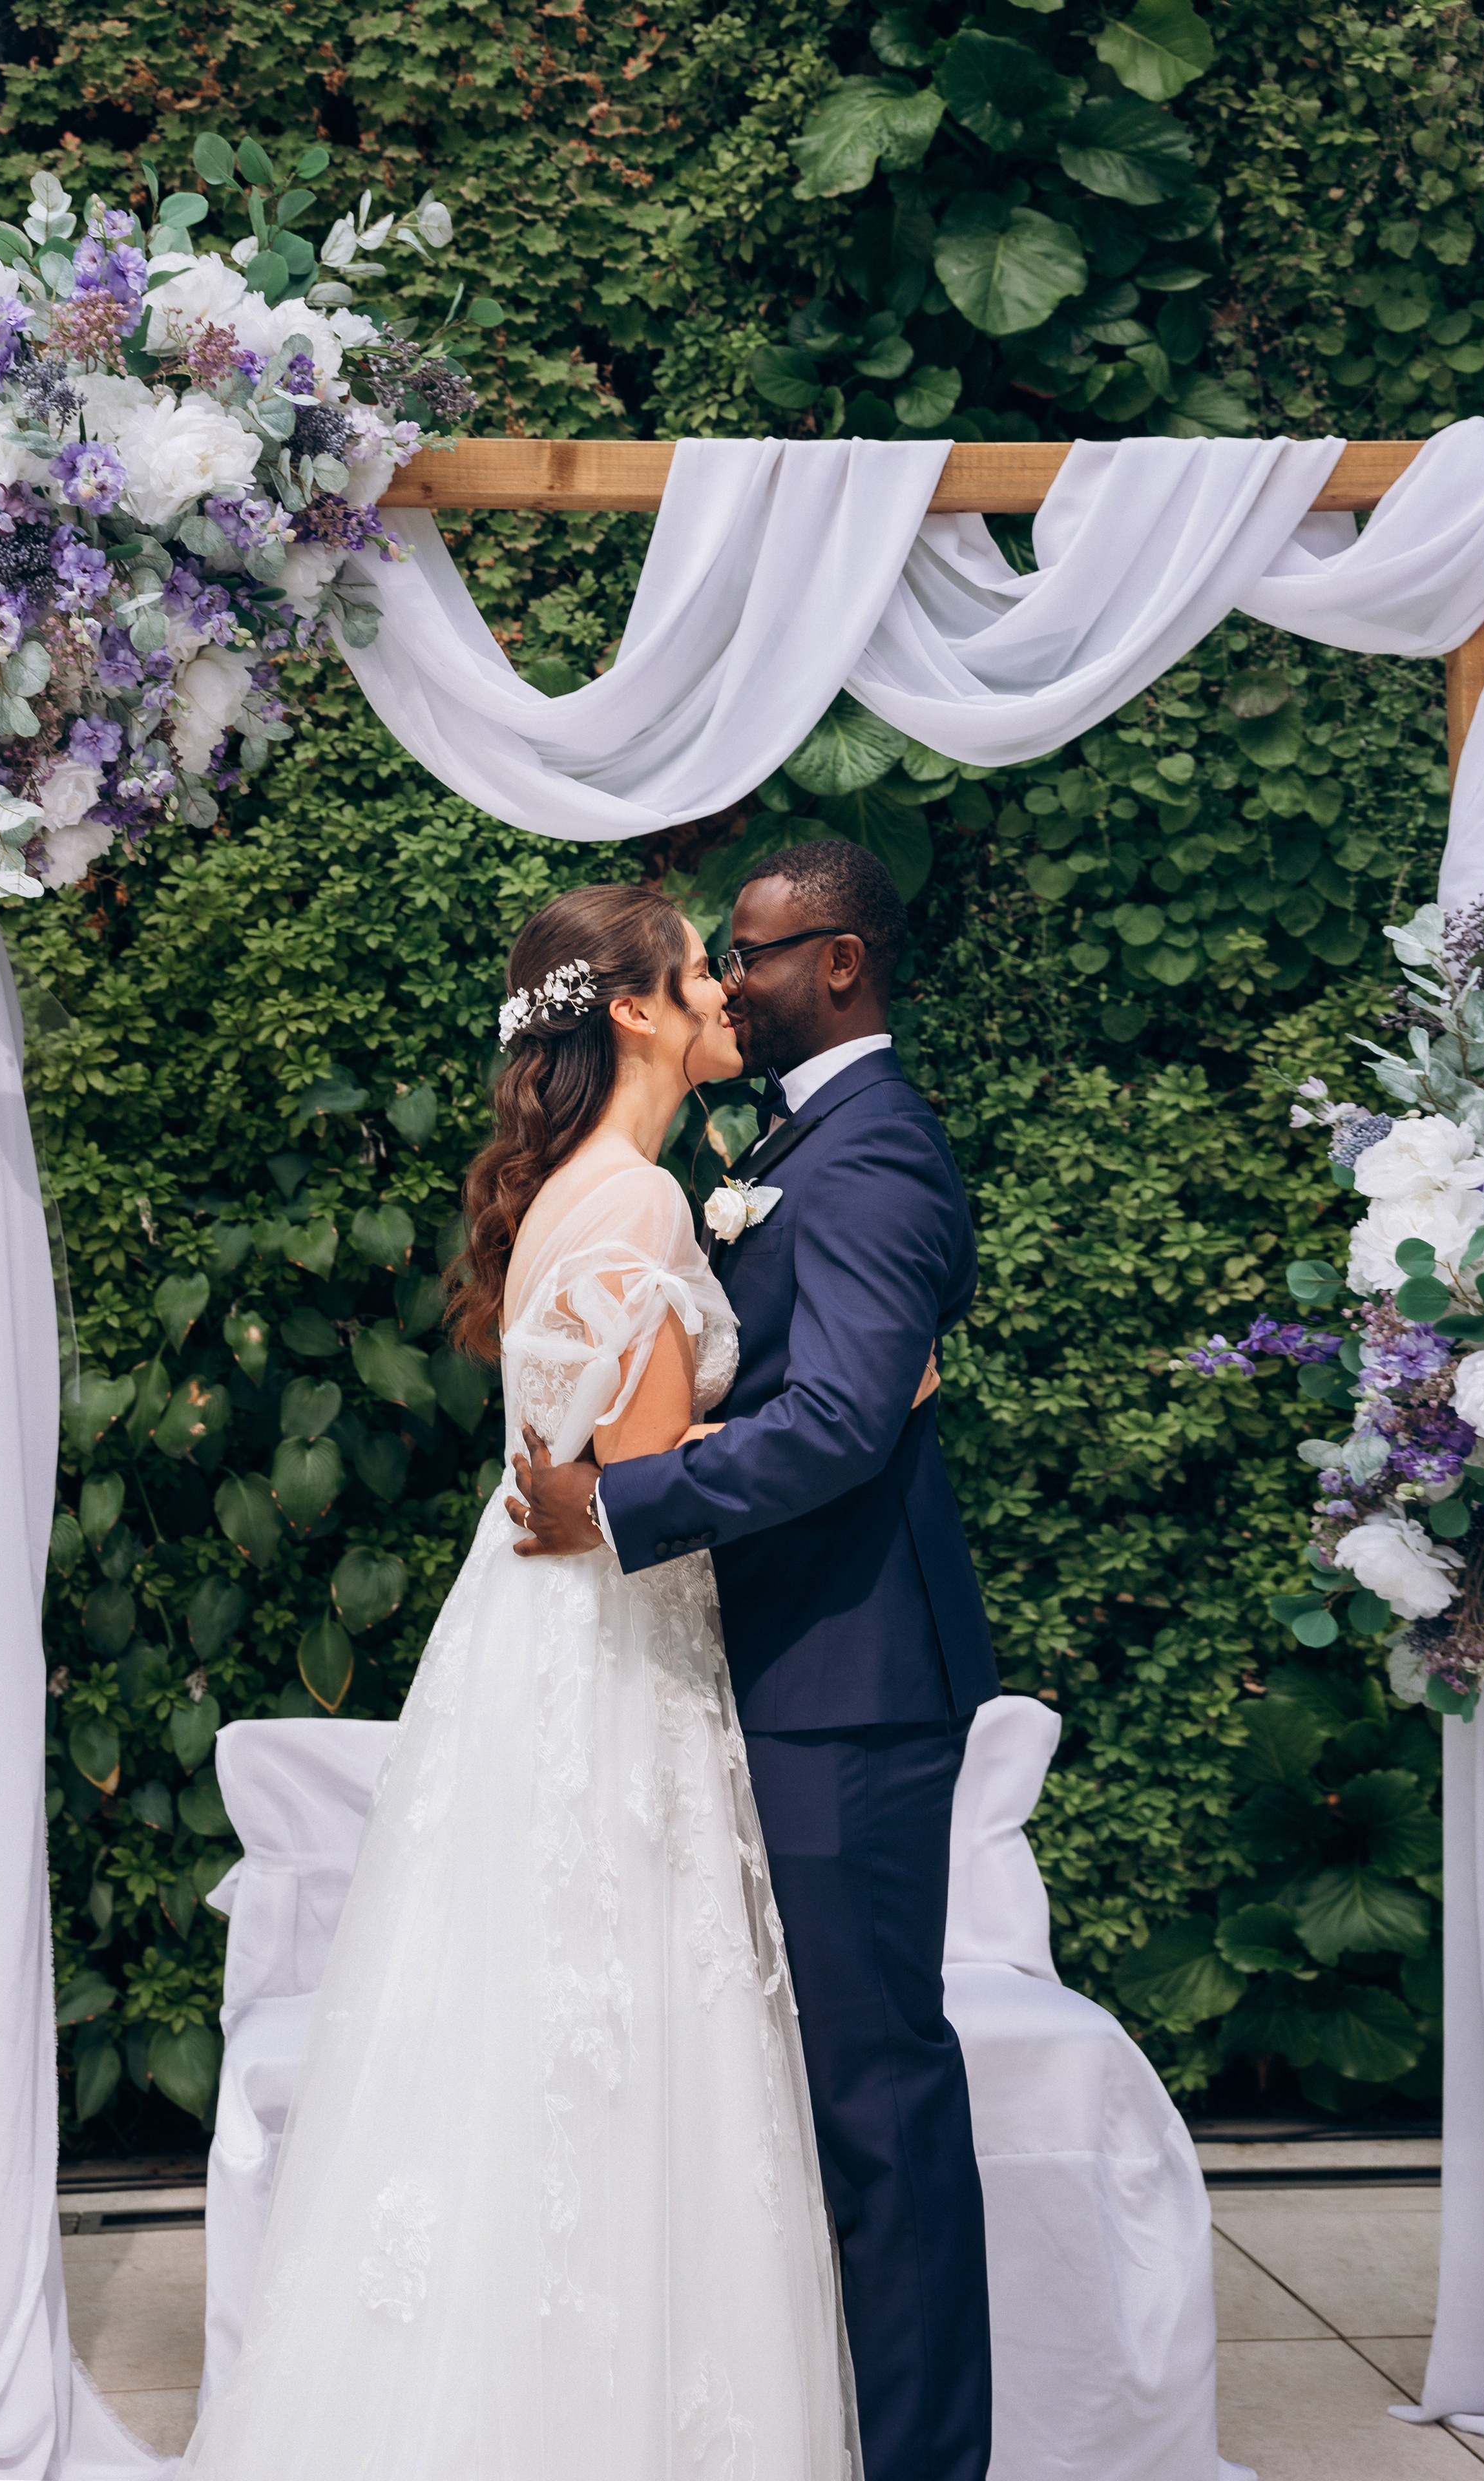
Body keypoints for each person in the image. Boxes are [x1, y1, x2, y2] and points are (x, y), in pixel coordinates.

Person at [181, 882, 862, 2478]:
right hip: (615, 1653)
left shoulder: (574, 1189)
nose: (721, 992)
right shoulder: (634, 1205)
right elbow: (636, 1485)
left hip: (537, 1643)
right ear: (629, 1009)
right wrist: (855, 1400)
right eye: (699, 970)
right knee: (622, 2041)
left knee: (536, 2033)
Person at [512, 839, 999, 2481]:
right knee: (806, 2102)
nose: (730, 980)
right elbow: (837, 1391)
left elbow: (849, 1421)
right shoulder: (790, 1143)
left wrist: (628, 1497)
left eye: (757, 954)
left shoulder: (865, 1158)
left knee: (876, 2102)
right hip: (780, 1667)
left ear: (842, 964)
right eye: (709, 960)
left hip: (849, 1685)